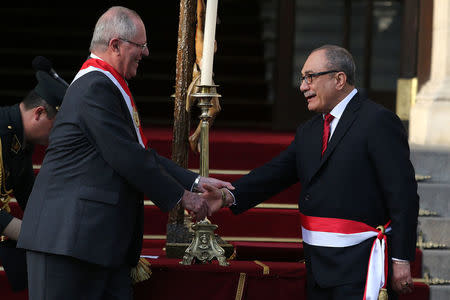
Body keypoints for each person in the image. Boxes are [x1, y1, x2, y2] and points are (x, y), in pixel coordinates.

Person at [17, 6, 229, 300]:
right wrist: (185, 197)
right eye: (140, 46)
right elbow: (127, 156)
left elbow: (138, 153)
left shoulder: (106, 85)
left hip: (95, 243)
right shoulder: (94, 87)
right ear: (115, 44)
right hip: (69, 243)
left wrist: (194, 182)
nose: (146, 53)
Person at [216, 45, 419, 300]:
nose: (303, 86)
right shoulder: (309, 130)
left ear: (339, 79)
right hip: (318, 265)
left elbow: (403, 194)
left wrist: (401, 258)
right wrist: (226, 196)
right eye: (303, 78)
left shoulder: (378, 121)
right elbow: (276, 173)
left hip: (361, 265)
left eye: (310, 77)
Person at [0, 67, 66, 291]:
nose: (57, 136)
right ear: (38, 113)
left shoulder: (19, 138)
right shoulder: (3, 132)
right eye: (56, 127)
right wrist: (38, 234)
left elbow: (30, 196)